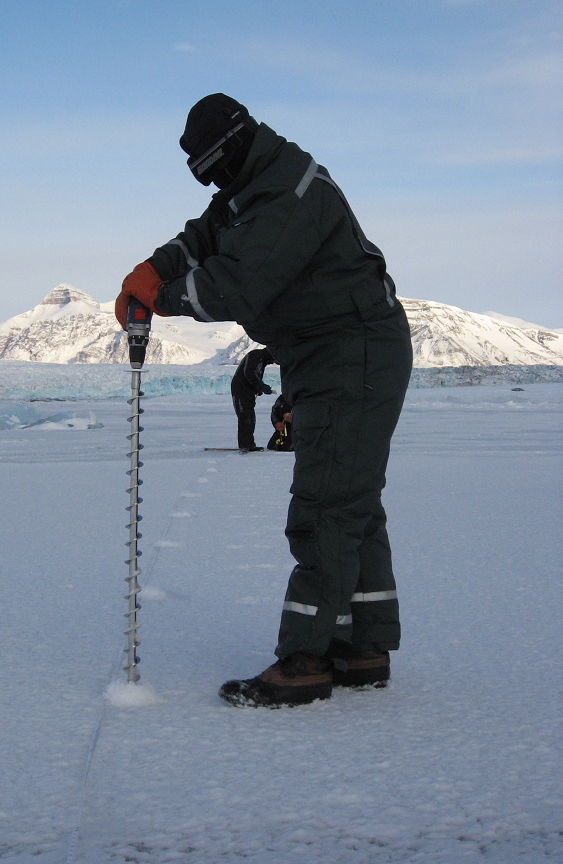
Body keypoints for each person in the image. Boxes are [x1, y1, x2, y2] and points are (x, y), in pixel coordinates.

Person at [115, 93, 413, 709]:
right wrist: (153, 267)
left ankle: (305, 661)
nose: (212, 184)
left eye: (213, 170)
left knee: (326, 507)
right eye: (202, 177)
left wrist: (162, 298)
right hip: (328, 352)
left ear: (236, 146)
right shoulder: (253, 184)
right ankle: (362, 649)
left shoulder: (285, 195)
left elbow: (237, 285)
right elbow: (205, 236)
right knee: (352, 503)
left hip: (352, 352)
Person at [230, 347, 275, 452]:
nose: (274, 362)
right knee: (244, 415)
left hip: (248, 390)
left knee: (250, 416)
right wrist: (260, 385)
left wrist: (257, 388)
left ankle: (249, 444)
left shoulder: (262, 360)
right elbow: (249, 372)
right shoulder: (256, 355)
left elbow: (254, 375)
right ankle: (244, 445)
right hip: (240, 389)